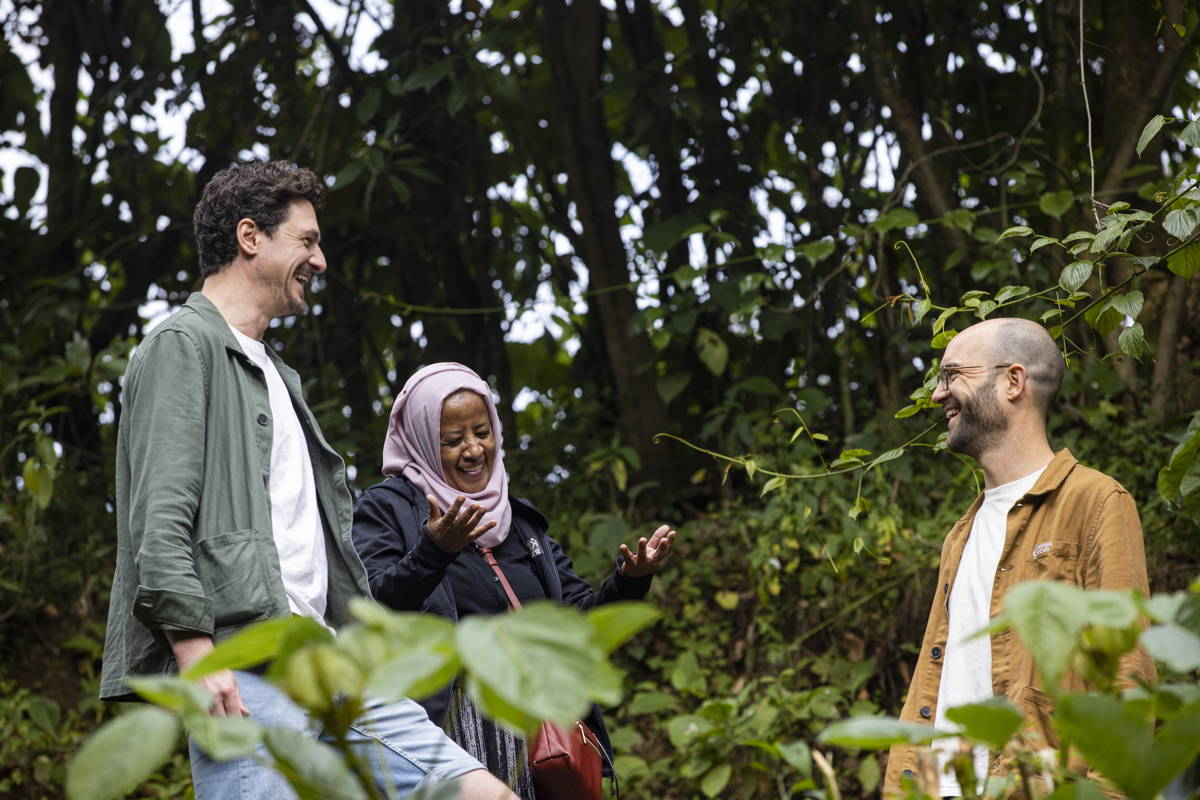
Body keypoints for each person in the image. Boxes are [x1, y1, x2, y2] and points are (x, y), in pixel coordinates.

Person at [99, 161, 516, 800]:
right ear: (249, 237)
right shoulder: (182, 347)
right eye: (307, 240)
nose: (320, 261)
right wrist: (199, 658)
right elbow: (160, 523)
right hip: (248, 669)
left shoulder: (279, 376)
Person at [352, 362, 677, 798]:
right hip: (451, 742)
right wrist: (434, 551)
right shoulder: (387, 509)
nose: (473, 450)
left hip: (544, 748)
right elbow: (370, 607)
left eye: (482, 432)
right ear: (424, 442)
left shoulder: (519, 521)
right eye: (452, 440)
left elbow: (575, 625)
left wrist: (630, 581)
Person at [882, 318, 1156, 797]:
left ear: (1013, 381)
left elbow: (1126, 684)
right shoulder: (960, 535)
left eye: (952, 376)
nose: (937, 395)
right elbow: (939, 686)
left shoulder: (1095, 503)